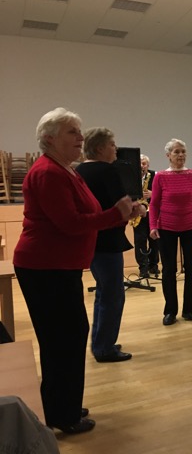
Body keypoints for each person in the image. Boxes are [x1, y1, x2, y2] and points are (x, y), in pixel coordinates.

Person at [13, 108, 134, 434]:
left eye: (80, 131)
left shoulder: (65, 170)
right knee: (63, 339)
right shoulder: (48, 173)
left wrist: (118, 213)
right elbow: (70, 223)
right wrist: (116, 214)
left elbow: (82, 216)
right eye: (72, 131)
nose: (81, 137)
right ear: (49, 138)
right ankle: (62, 415)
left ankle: (60, 405)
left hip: (56, 266)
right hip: (45, 266)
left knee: (66, 337)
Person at [76, 128, 145, 363]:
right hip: (108, 241)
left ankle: (100, 342)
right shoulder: (108, 170)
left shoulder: (79, 170)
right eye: (112, 144)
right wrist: (140, 208)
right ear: (99, 148)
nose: (116, 149)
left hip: (91, 240)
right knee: (113, 296)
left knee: (103, 292)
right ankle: (104, 348)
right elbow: (122, 207)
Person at [149, 138, 192, 326]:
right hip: (166, 228)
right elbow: (154, 204)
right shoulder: (160, 177)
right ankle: (170, 311)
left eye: (183, 151)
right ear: (168, 155)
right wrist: (153, 226)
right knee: (169, 270)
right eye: (176, 152)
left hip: (190, 226)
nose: (181, 155)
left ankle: (189, 309)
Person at [132, 154, 159, 278]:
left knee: (154, 240)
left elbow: (163, 193)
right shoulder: (131, 177)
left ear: (148, 165)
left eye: (143, 164)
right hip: (138, 213)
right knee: (140, 241)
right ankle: (143, 268)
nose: (141, 166)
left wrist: (153, 194)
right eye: (139, 164)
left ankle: (154, 265)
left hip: (153, 213)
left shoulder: (155, 175)